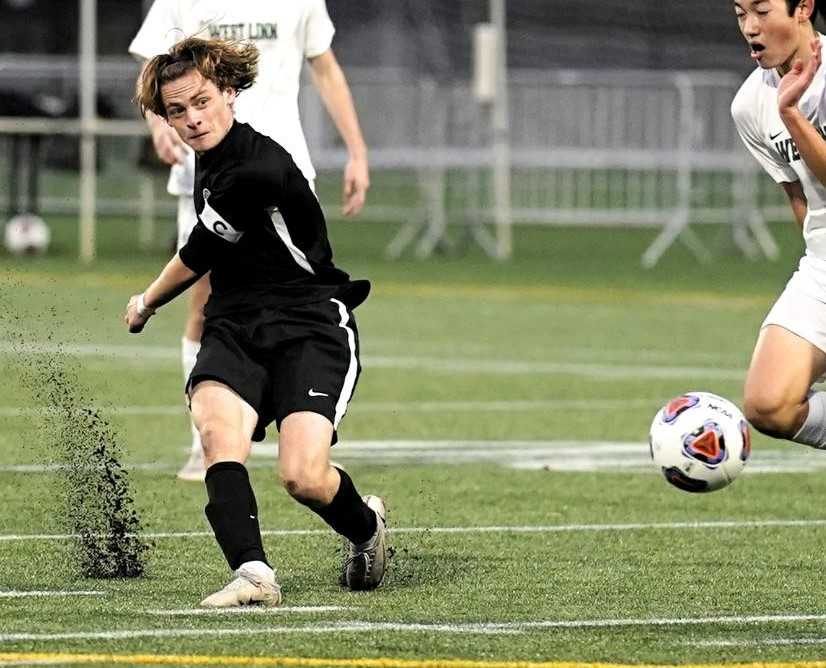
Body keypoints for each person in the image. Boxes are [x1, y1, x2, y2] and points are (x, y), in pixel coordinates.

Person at [126, 36, 386, 606]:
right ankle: (254, 575)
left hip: (309, 322)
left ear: (229, 92)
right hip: (236, 323)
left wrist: (145, 302)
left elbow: (198, 253)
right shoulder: (209, 157)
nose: (192, 119)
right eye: (177, 110)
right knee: (217, 435)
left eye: (201, 102)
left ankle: (366, 528)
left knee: (303, 477)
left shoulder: (257, 166)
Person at [129, 0, 370, 481]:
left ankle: (303, 421)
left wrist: (357, 152)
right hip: (208, 166)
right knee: (204, 300)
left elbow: (325, 69)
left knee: (294, 293)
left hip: (280, 167)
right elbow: (156, 68)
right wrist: (158, 125)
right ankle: (207, 441)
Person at [731, 0, 826, 447]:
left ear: (803, 7)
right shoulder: (750, 104)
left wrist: (792, 114)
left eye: (762, 11)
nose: (750, 27)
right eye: (740, 14)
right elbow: (800, 197)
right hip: (823, 266)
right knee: (769, 404)